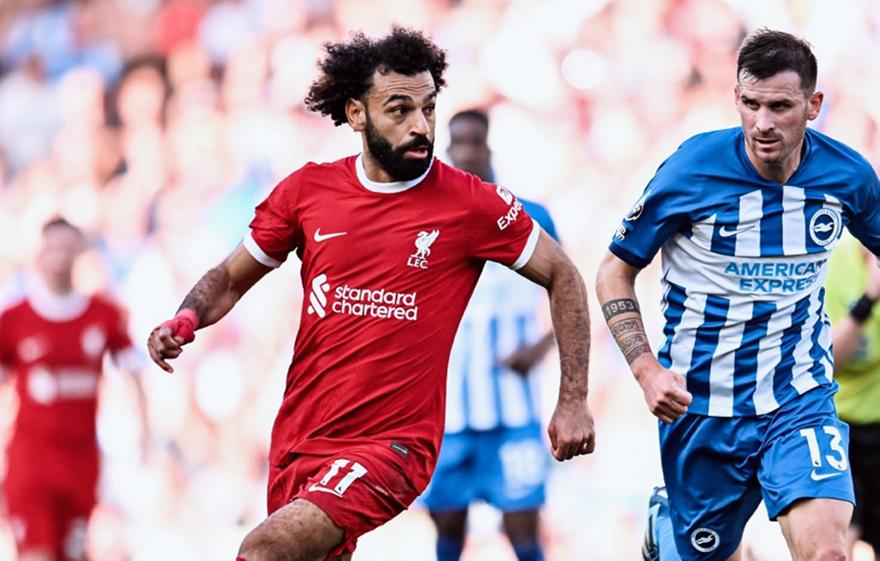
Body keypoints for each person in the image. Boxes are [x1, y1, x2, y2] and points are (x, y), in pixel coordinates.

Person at [146, 27, 595, 561]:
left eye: (428, 108)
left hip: (392, 446)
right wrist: (185, 319)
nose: (420, 125)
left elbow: (564, 275)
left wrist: (573, 399)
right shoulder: (308, 192)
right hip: (300, 440)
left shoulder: (470, 204)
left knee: (265, 548)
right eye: (400, 110)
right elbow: (229, 277)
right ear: (356, 113)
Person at [596, 29, 880, 561]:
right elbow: (614, 272)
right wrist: (646, 369)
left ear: (814, 105)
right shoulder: (691, 169)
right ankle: (670, 526)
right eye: (751, 104)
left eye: (780, 107)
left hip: (799, 397)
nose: (762, 123)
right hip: (703, 407)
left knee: (828, 552)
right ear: (736, 98)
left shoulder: (848, 176)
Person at [421, 109, 558, 561]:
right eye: (458, 143)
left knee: (524, 534)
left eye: (474, 143)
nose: (466, 153)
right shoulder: (424, 221)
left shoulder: (531, 216)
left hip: (512, 411)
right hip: (447, 417)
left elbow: (568, 292)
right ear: (446, 150)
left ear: (489, 148)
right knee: (447, 533)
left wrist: (539, 348)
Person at [0, 217, 148, 561]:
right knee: (36, 553)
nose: (60, 258)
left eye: (67, 249)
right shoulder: (15, 319)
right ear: (40, 254)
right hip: (31, 464)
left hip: (81, 464)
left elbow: (133, 371)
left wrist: (144, 429)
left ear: (79, 252)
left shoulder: (103, 315)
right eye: (53, 249)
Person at [825, 235, 880, 559]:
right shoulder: (834, 263)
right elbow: (828, 362)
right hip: (842, 429)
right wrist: (868, 300)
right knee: (837, 545)